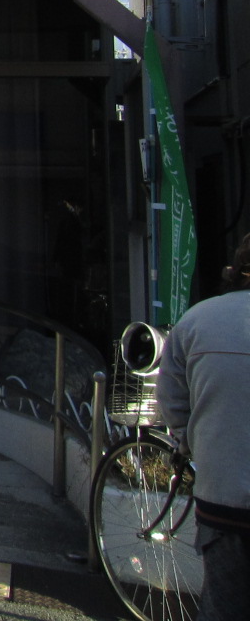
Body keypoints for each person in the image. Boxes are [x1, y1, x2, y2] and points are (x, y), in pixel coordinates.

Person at [157, 232, 250, 621]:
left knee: (224, 606)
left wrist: (187, 440)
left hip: (223, 502)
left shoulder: (198, 319)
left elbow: (172, 399)